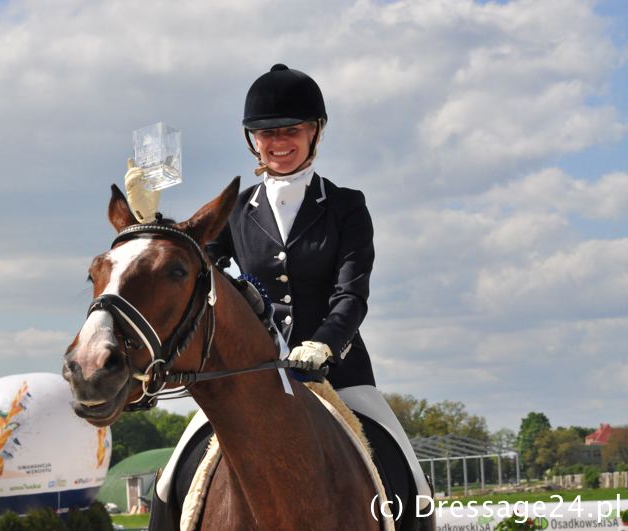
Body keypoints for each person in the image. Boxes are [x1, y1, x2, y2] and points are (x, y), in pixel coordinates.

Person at [127, 64, 432, 529]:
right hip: (249, 376)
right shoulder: (236, 210)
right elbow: (192, 268)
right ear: (252, 140)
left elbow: (352, 293)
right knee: (171, 482)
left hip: (338, 374)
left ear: (316, 132)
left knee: (414, 483)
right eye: (266, 133)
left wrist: (325, 343)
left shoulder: (346, 205)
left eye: (291, 130)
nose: (279, 142)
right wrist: (153, 223)